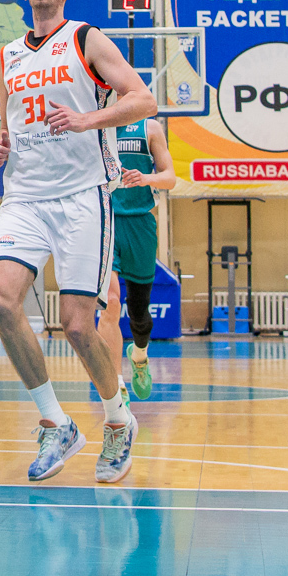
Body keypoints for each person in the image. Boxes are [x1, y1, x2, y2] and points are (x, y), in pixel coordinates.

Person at [0, 0, 155, 484]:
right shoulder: (9, 54)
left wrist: (88, 119)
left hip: (82, 196)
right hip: (25, 197)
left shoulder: (86, 38)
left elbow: (143, 99)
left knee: (79, 327)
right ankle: (55, 422)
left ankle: (118, 420)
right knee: (1, 302)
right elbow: (10, 125)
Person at [99, 118, 178, 401]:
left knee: (139, 313)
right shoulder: (96, 124)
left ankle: (140, 356)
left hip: (140, 224)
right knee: (110, 302)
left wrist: (146, 178)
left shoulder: (149, 128)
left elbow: (170, 177)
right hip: (106, 221)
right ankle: (115, 384)